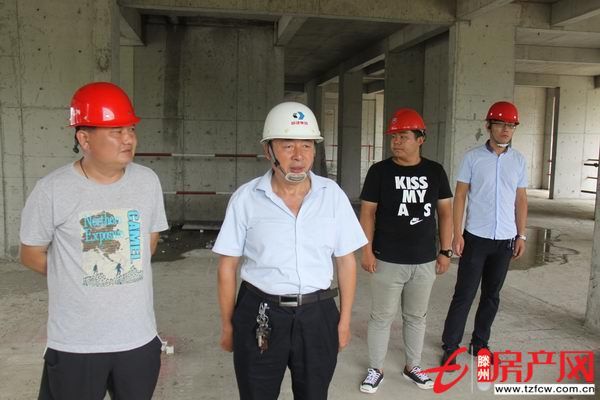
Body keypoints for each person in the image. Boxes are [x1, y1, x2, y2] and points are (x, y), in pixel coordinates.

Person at [19, 82, 169, 400]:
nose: (128, 139)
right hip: (77, 344)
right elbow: (31, 253)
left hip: (138, 339)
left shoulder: (147, 182)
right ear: (84, 139)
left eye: (131, 129)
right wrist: (73, 274)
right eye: (116, 131)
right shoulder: (53, 189)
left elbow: (149, 243)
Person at [214, 101, 367, 400]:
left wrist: (344, 321)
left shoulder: (332, 196)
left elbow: (346, 262)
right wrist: (228, 325)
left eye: (307, 146)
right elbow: (227, 267)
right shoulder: (246, 199)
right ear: (268, 150)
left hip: (318, 313)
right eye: (287, 146)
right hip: (260, 311)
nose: (299, 155)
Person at [358, 108, 453, 393]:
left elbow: (445, 213)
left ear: (420, 139)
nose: (396, 141)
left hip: (424, 260)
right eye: (394, 136)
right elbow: (367, 213)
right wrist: (366, 250)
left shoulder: (435, 171)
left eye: (403, 136)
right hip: (387, 259)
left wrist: (445, 251)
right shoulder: (379, 171)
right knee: (381, 317)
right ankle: (375, 369)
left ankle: (413, 366)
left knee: (416, 317)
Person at [440, 101, 528, 365]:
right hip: (476, 238)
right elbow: (460, 196)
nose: (505, 130)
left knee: (492, 296)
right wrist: (457, 234)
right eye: (500, 124)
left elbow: (521, 199)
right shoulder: (472, 158)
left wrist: (521, 235)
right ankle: (451, 346)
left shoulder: (518, 160)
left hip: (505, 240)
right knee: (464, 294)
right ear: (489, 126)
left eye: (511, 125)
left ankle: (480, 344)